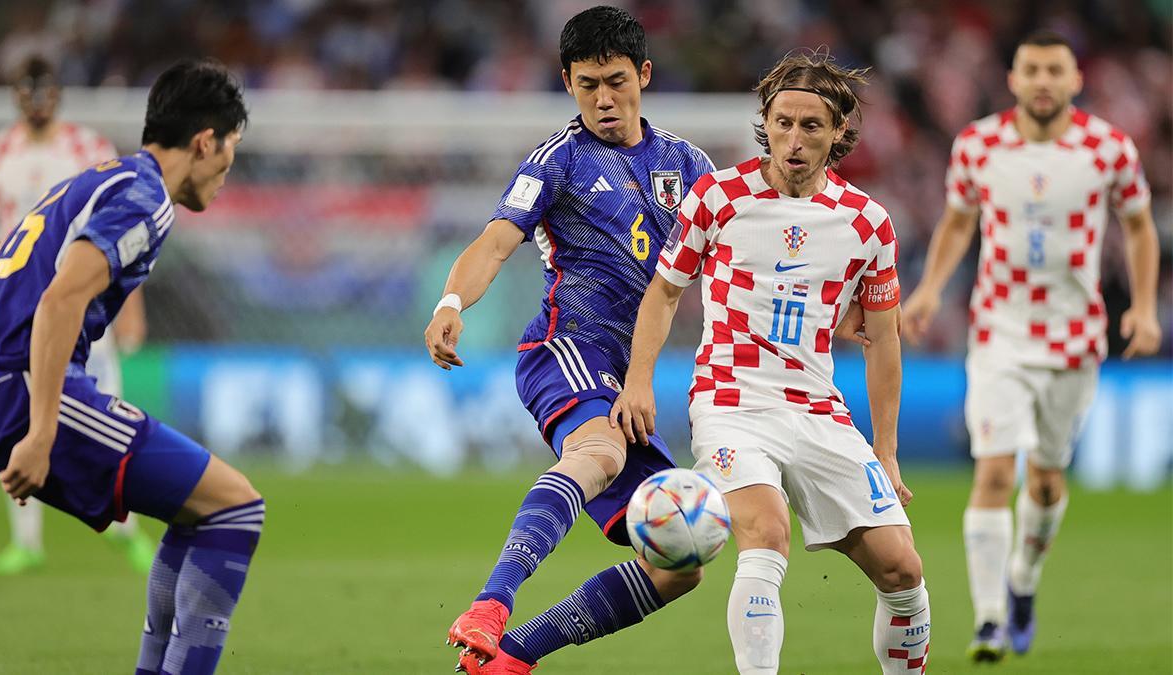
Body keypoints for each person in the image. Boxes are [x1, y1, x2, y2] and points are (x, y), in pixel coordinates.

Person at [614, 50, 931, 674]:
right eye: (782, 122)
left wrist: (886, 452)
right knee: (766, 532)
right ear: (766, 121)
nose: (793, 139)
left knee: (903, 569)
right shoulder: (718, 196)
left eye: (810, 126)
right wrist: (638, 381)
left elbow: (884, 339)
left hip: (817, 407)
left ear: (839, 130)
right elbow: (666, 292)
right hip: (731, 402)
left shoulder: (867, 223)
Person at [423, 6, 715, 674]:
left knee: (681, 556)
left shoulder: (687, 163)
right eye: (588, 85)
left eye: (616, 80)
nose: (604, 98)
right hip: (565, 347)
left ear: (644, 73)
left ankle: (511, 656)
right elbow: (495, 242)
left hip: (624, 371)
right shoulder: (559, 158)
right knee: (602, 451)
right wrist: (450, 300)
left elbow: (731, 261)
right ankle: (490, 603)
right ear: (567, 83)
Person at [0, 59, 262, 675]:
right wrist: (42, 432)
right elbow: (59, 298)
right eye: (229, 152)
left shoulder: (107, 177)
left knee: (198, 510)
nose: (227, 170)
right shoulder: (145, 198)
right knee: (236, 508)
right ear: (205, 141)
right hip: (18, 388)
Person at [901, 29, 1160, 662]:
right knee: (993, 471)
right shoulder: (979, 145)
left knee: (1045, 483)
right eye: (1032, 70)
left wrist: (1147, 308)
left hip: (1076, 336)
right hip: (999, 330)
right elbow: (959, 219)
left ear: (1075, 80)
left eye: (1055, 70)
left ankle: (1022, 583)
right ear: (1013, 80)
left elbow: (1139, 226)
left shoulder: (1107, 149)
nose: (1043, 81)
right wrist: (930, 288)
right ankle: (989, 619)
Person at [0, 55, 155, 576]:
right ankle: (26, 542)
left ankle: (126, 529)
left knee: (111, 411)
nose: (35, 99)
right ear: (14, 94)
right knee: (16, 420)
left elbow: (124, 231)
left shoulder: (89, 149)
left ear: (56, 93)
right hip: (17, 310)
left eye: (43, 89)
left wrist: (131, 307)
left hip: (85, 304)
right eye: (26, 90)